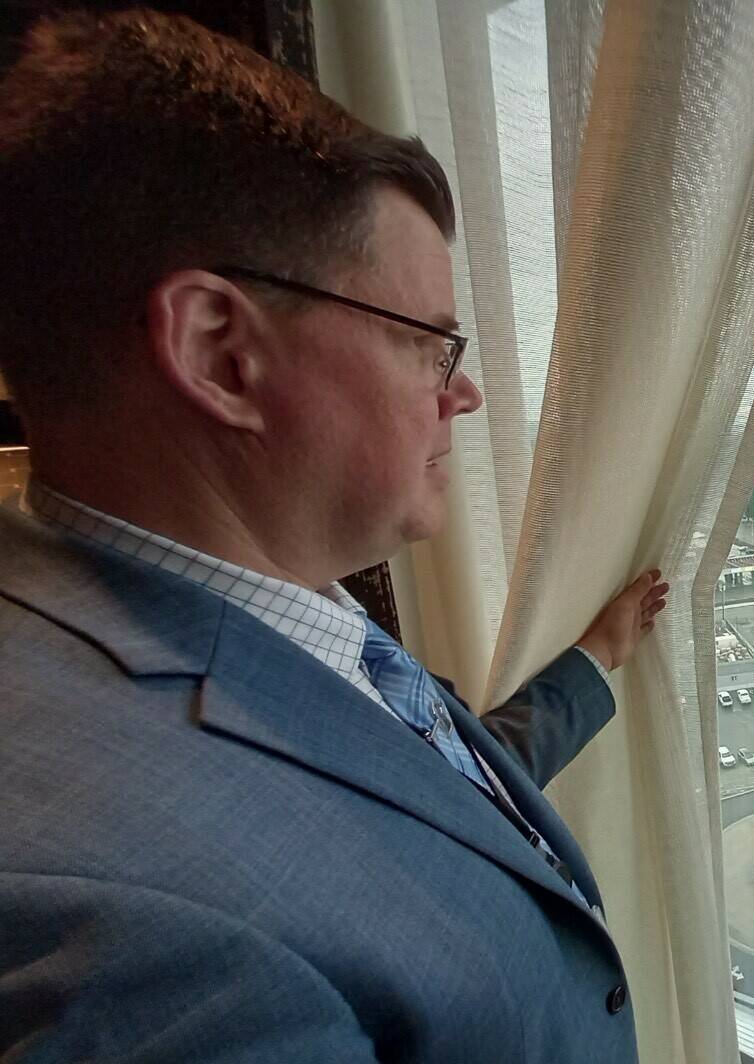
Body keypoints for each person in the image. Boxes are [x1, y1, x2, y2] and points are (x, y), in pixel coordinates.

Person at [0, 10, 665, 1062]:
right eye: (429, 342)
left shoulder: (248, 602)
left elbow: (406, 799)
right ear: (221, 354)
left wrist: (596, 656)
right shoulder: (142, 936)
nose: (464, 392)